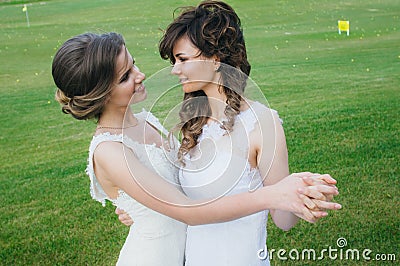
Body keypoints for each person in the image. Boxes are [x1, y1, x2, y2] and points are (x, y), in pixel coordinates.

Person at [52, 32, 340, 265]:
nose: (140, 75)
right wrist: (272, 194)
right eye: (125, 76)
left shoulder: (147, 121)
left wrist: (294, 188)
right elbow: (187, 211)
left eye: (133, 63)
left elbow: (181, 182)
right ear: (101, 93)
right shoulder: (109, 151)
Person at [157, 1, 338, 265]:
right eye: (174, 61)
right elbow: (184, 207)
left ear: (215, 59)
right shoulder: (193, 124)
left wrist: (302, 192)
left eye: (182, 59)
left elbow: (283, 221)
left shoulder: (262, 123)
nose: (175, 69)